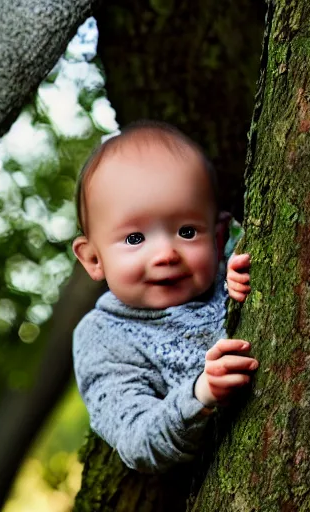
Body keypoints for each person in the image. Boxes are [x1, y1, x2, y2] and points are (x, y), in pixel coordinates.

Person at [72, 121, 256, 473]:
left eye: (187, 231)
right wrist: (200, 395)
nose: (166, 254)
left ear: (217, 238)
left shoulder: (233, 265)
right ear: (93, 258)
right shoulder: (104, 337)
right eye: (135, 238)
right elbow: (135, 439)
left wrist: (242, 268)